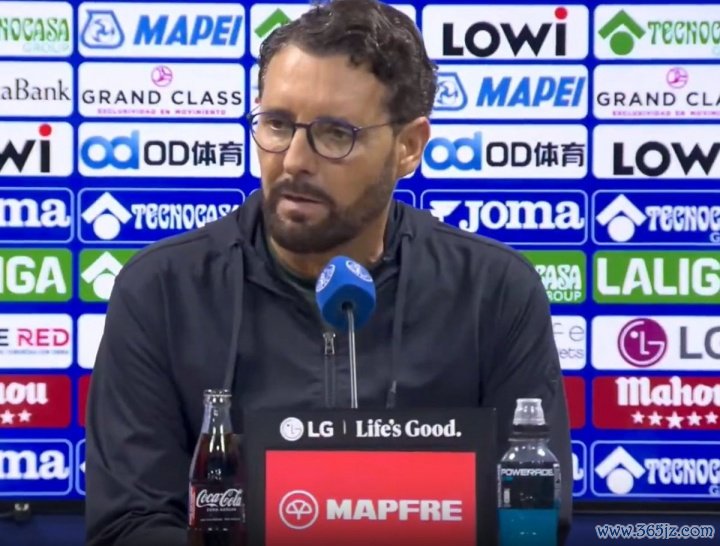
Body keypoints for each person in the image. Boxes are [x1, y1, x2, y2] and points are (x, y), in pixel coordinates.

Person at [85, 0, 573, 544]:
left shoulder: (494, 291)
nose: (294, 160)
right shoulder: (162, 291)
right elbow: (129, 525)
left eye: (335, 134)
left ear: (408, 147)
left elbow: (532, 519)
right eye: (277, 125)